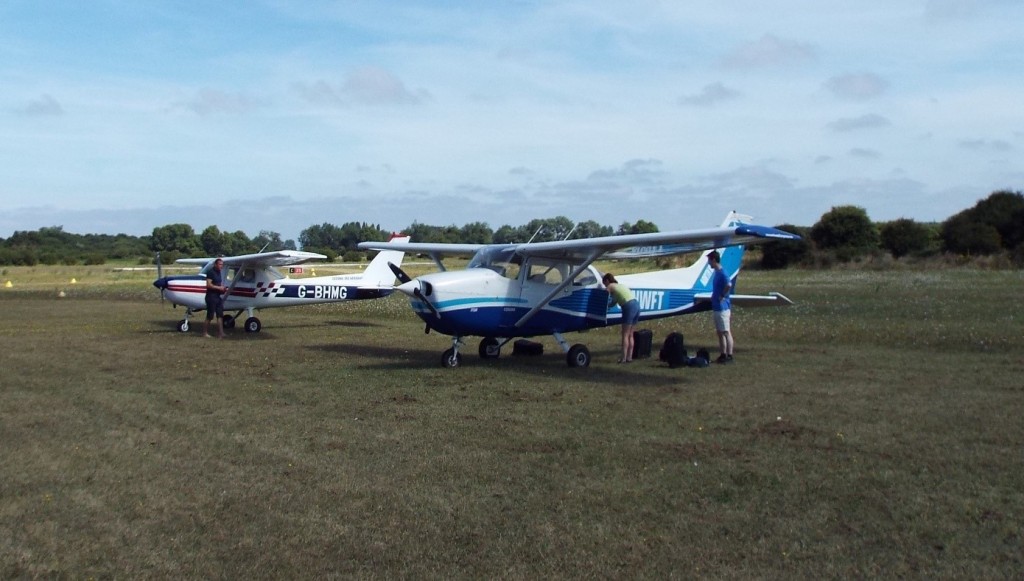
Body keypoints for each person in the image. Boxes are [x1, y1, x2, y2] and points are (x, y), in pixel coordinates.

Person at [603, 273, 640, 363]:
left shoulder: (611, 286)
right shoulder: (620, 286)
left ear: (607, 281)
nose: (605, 286)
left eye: (604, 283)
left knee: (625, 334)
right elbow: (612, 303)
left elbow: (604, 296)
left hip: (628, 306)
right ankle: (629, 357)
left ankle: (623, 358)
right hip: (636, 305)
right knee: (631, 334)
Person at [707, 250, 733, 363]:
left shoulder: (722, 273)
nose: (709, 263)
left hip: (723, 308)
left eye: (709, 260)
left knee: (726, 332)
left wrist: (722, 295)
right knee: (720, 332)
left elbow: (729, 284)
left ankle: (730, 355)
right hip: (716, 307)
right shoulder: (717, 273)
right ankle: (723, 354)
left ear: (713, 260)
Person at [203, 257, 228, 339]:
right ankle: (205, 333)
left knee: (220, 314)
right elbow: (208, 285)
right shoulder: (211, 272)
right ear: (215, 264)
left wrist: (223, 288)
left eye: (222, 265)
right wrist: (219, 288)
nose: (221, 266)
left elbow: (218, 284)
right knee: (210, 316)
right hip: (211, 297)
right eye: (220, 264)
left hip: (217, 296)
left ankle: (221, 333)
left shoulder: (218, 272)